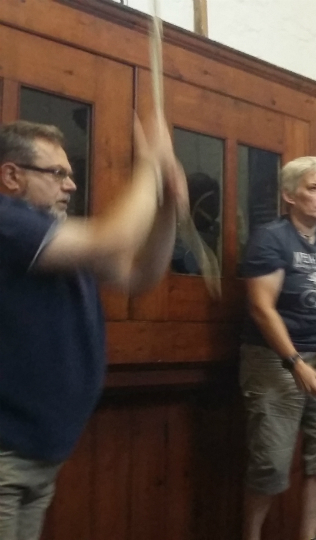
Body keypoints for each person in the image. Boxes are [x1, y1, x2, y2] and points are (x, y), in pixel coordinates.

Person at [0, 118, 186, 540]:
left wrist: (167, 207)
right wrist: (151, 167)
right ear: (11, 176)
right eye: (57, 174)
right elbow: (113, 237)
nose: (70, 185)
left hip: (37, 456)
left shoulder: (56, 236)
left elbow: (140, 274)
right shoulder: (6, 222)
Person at [239, 156, 316, 540]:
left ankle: (307, 537)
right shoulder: (271, 239)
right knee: (271, 463)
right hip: (275, 361)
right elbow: (261, 306)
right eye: (314, 188)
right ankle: (251, 534)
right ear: (290, 195)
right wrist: (294, 361)